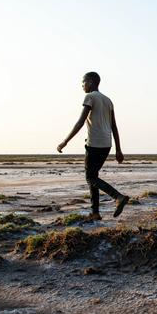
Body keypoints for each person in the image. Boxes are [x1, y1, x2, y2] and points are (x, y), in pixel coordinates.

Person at [57, 72, 129, 220]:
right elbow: (114, 127)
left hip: (94, 143)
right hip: (106, 144)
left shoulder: (90, 97)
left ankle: (118, 197)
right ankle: (95, 213)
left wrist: (65, 141)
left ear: (90, 82)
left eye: (83, 82)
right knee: (93, 176)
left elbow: (81, 121)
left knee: (90, 178)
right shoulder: (108, 100)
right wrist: (118, 149)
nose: (82, 85)